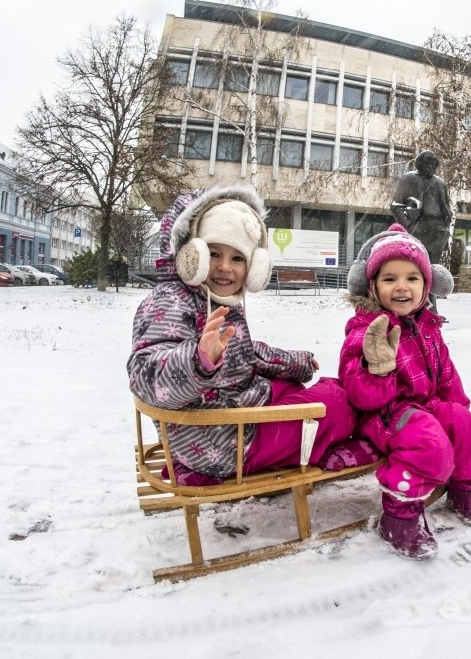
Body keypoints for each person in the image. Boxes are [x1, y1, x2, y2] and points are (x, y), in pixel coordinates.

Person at [128, 184, 359, 484]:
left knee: (288, 387)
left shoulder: (211, 296)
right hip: (219, 441)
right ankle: (310, 445)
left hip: (225, 416)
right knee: (337, 402)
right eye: (213, 253)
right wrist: (197, 360)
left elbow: (244, 352)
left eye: (238, 258)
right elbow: (144, 377)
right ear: (191, 255)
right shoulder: (169, 301)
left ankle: (299, 436)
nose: (225, 268)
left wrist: (293, 363)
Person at [339, 223, 471, 559]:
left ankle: (463, 486)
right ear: (372, 286)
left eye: (411, 278)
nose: (401, 287)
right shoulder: (367, 328)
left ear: (427, 286)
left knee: (468, 426)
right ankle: (399, 515)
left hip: (427, 405)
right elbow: (359, 394)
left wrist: (459, 413)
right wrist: (377, 368)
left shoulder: (427, 326)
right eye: (389, 278)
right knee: (427, 441)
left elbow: (447, 378)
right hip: (384, 413)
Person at [390, 150, 453, 312]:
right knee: (418, 269)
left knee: (433, 270)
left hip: (438, 230)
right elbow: (396, 206)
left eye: (434, 164)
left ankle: (431, 308)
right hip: (418, 229)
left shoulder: (440, 183)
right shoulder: (409, 179)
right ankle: (418, 306)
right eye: (428, 163)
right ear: (420, 164)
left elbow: (445, 205)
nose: (431, 167)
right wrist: (408, 226)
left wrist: (446, 226)